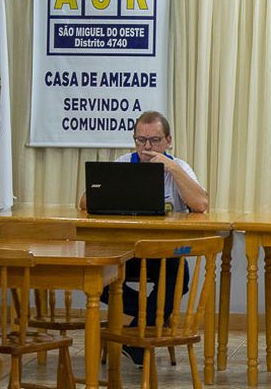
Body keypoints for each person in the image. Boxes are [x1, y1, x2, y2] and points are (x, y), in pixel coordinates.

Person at [80, 110, 209, 366]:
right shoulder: (123, 164)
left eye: (154, 140)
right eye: (141, 140)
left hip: (163, 253)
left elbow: (201, 204)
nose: (147, 147)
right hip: (126, 252)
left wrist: (171, 167)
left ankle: (134, 339)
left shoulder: (179, 167)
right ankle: (147, 322)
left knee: (179, 276)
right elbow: (85, 202)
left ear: (168, 141)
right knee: (97, 276)